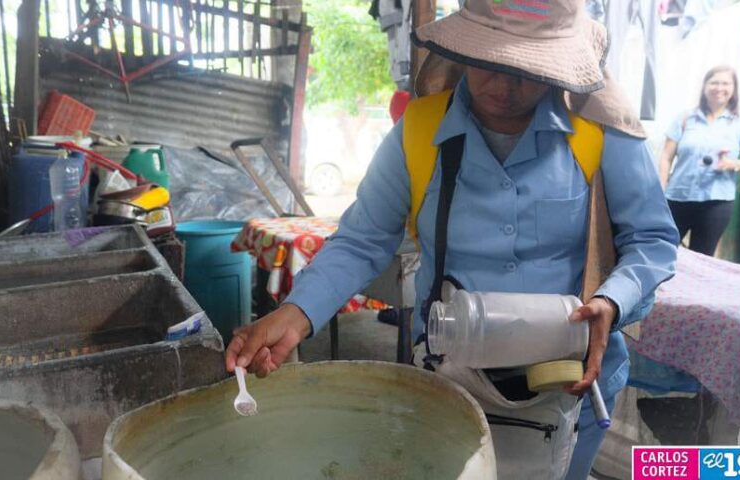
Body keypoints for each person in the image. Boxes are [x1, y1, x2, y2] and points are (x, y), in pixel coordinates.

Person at [227, 0, 679, 478]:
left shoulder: (601, 134)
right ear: (465, 50)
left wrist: (613, 299)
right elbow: (362, 240)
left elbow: (652, 240)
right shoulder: (418, 132)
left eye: (526, 70)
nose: (504, 86)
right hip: (453, 384)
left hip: (571, 386)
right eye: (490, 62)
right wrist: (296, 314)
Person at [658, 65, 740, 256]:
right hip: (677, 197)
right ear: (705, 86)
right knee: (662, 252)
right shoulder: (685, 118)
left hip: (716, 203)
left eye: (726, 83)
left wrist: (731, 164)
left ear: (734, 88)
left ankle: (690, 288)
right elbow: (666, 156)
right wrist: (661, 187)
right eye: (714, 82)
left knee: (701, 259)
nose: (719, 88)